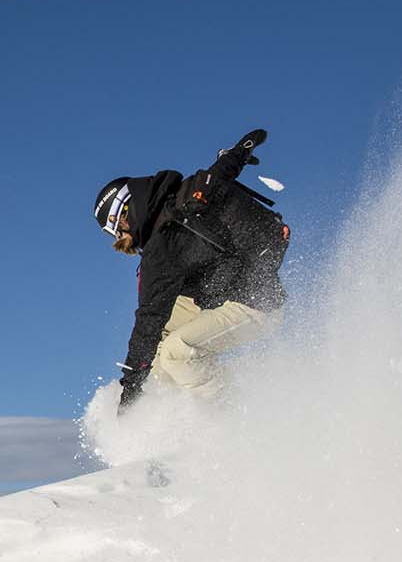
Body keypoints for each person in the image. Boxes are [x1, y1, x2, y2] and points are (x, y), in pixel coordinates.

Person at [93, 129, 289, 410]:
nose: (123, 239)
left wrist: (129, 398)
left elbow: (148, 319)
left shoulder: (161, 248)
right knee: (159, 352)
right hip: (236, 287)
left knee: (175, 354)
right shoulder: (184, 195)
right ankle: (168, 414)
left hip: (256, 305)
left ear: (124, 215)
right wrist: (240, 151)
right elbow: (219, 173)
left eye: (118, 230)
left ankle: (230, 413)